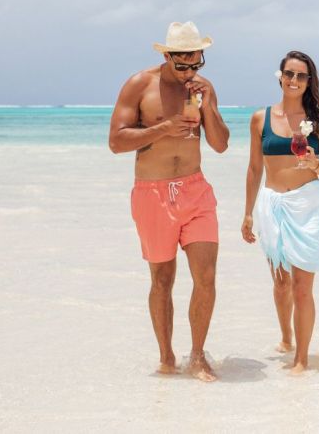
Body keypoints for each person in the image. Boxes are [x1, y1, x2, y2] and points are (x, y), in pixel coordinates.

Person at [108, 21, 230, 382]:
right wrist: (164, 128)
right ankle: (166, 357)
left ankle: (197, 356)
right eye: (183, 66)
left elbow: (221, 144)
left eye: (197, 64)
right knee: (162, 279)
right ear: (167, 57)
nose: (189, 72)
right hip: (153, 192)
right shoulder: (139, 85)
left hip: (195, 189)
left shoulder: (202, 88)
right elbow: (116, 141)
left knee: (206, 276)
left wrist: (208, 107)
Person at [241, 50, 319, 375]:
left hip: (306, 205)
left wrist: (315, 163)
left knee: (302, 287)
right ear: (280, 76)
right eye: (290, 74)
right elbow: (254, 169)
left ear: (309, 82)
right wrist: (248, 213)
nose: (294, 80)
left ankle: (302, 359)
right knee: (281, 283)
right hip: (271, 205)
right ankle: (286, 337)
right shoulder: (260, 118)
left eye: (301, 76)